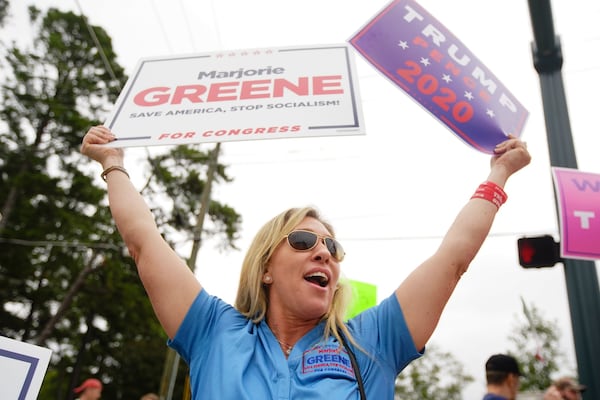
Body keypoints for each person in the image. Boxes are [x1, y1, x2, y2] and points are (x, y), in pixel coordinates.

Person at [80, 125, 531, 399]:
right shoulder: (212, 332)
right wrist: (113, 163)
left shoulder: (375, 341)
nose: (323, 253)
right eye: (302, 241)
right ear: (265, 268)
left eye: (332, 248)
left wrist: (499, 175)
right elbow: (143, 241)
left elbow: (452, 259)